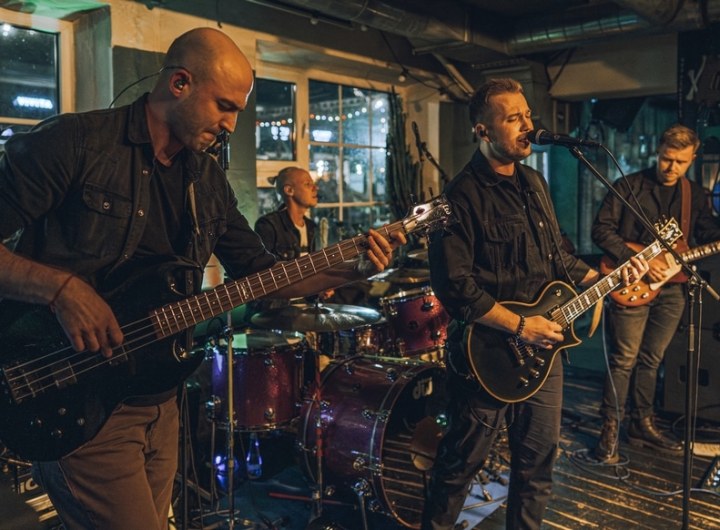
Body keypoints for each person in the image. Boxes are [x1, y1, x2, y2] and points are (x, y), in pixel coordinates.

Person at [0, 28, 403, 530]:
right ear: (180, 83)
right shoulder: (76, 143)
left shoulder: (207, 181)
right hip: (74, 397)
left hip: (160, 400)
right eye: (224, 107)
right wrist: (61, 290)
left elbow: (263, 276)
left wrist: (355, 265)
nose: (231, 124)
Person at [420, 78, 646, 530]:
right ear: (483, 131)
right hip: (487, 355)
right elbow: (455, 287)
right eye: (513, 118)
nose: (528, 125)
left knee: (538, 467)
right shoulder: (459, 197)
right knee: (461, 465)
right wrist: (521, 327)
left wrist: (608, 278)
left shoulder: (535, 182)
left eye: (527, 115)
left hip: (544, 353)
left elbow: (557, 257)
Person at [591, 123, 720, 463]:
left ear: (692, 159)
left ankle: (641, 423)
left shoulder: (694, 194)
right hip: (631, 282)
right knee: (623, 360)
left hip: (673, 288)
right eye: (666, 159)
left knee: (652, 359)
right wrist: (638, 261)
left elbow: (705, 231)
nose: (671, 167)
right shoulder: (629, 186)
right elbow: (601, 230)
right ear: (658, 152)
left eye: (680, 162)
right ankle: (610, 428)